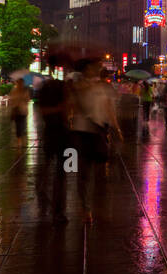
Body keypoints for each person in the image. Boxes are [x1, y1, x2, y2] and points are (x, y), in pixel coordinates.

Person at [69, 59, 121, 225]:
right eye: (93, 68)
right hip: (80, 132)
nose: (96, 70)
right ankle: (86, 208)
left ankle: (90, 204)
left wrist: (116, 128)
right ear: (86, 70)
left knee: (94, 170)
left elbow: (108, 108)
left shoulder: (101, 87)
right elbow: (72, 107)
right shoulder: (78, 87)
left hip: (97, 132)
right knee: (83, 171)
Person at [35, 74, 71, 223]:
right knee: (65, 172)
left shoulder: (43, 95)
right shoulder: (63, 95)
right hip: (66, 136)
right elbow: (66, 115)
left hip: (50, 134)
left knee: (49, 165)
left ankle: (41, 187)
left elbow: (42, 112)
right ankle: (59, 211)